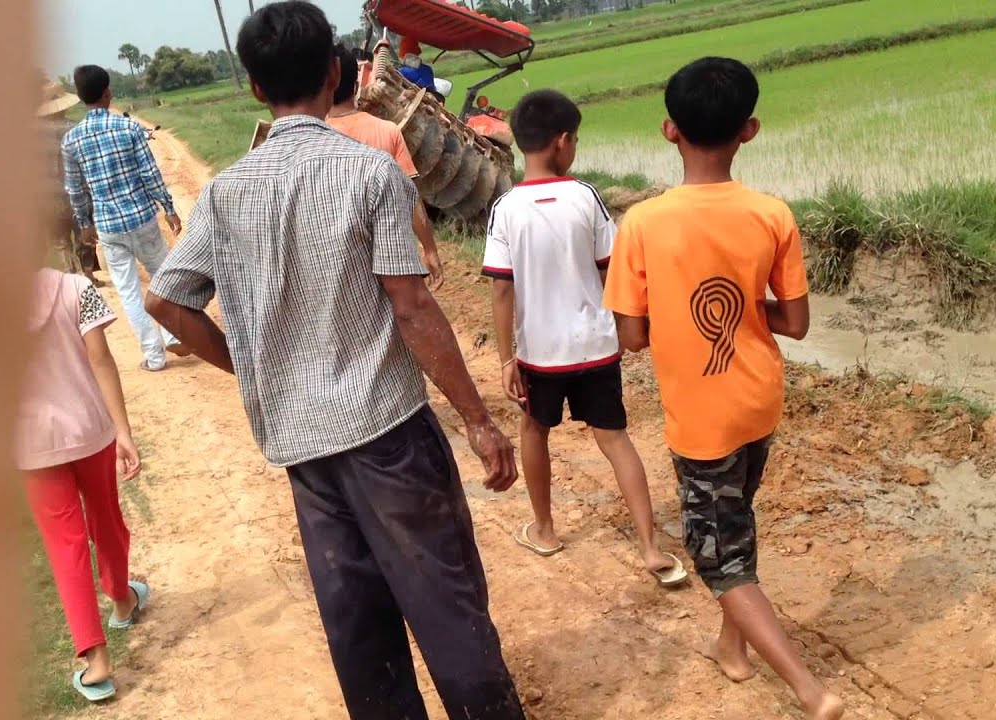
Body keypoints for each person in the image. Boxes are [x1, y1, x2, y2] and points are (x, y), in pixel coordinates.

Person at [144, 3, 525, 718]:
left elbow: (167, 303)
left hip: (304, 451)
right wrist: (478, 419)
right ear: (335, 73)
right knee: (446, 607)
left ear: (255, 89)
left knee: (357, 626)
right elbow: (410, 307)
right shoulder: (368, 174)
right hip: (388, 437)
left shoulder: (227, 192)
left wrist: (253, 366)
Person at [602, 57, 843, 720]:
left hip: (701, 418)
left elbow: (631, 336)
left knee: (717, 559)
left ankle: (808, 689)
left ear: (668, 130)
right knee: (734, 516)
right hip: (758, 401)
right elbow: (793, 322)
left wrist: (687, 306)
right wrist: (742, 306)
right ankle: (731, 650)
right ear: (751, 129)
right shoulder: (771, 214)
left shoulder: (642, 225)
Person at [482, 90, 686, 588]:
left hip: (539, 354)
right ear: (561, 142)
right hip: (595, 346)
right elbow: (612, 272)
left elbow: (502, 289)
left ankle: (546, 530)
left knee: (535, 432)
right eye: (575, 139)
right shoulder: (587, 197)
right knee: (615, 439)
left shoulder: (505, 208)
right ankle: (649, 546)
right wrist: (624, 326)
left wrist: (507, 359)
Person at [16, 257, 150, 702]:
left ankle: (96, 661)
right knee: (106, 516)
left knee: (64, 543)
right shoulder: (75, 288)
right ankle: (120, 599)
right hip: (91, 431)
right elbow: (101, 359)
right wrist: (124, 430)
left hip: (31, 445)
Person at [61, 65, 188, 371]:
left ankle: (154, 357)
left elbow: (75, 189)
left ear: (80, 98)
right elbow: (149, 173)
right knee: (161, 277)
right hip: (142, 217)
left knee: (129, 291)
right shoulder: (129, 129)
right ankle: (172, 335)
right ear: (108, 93)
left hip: (108, 226)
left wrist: (83, 223)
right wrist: (168, 208)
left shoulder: (71, 141)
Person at [327, 43, 444, 289]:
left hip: (338, 267)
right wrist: (430, 249)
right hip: (394, 261)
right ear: (357, 85)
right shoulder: (387, 131)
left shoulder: (315, 139)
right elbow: (410, 197)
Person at [38, 82, 102, 286]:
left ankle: (71, 280)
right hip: (79, 193)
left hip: (47, 197)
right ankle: (89, 276)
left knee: (59, 240)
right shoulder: (76, 130)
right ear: (64, 105)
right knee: (86, 233)